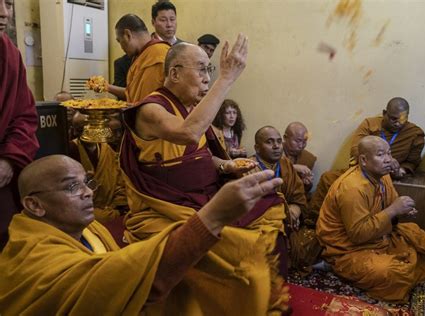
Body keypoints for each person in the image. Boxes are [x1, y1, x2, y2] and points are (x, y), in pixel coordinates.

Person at [0, 155, 287, 314]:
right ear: (34, 205)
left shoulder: (88, 228)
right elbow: (109, 284)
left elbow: (126, 273)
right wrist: (212, 217)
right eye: (71, 187)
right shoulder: (31, 257)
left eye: (86, 182)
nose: (88, 192)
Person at [120, 35, 289, 302]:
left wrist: (226, 165)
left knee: (270, 203)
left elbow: (198, 156)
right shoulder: (151, 109)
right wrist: (227, 78)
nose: (208, 78)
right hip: (167, 207)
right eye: (202, 69)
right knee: (231, 244)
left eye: (210, 70)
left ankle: (259, 288)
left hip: (203, 194)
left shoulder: (192, 109)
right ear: (174, 73)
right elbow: (188, 134)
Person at [316, 136, 425, 301]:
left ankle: (392, 266)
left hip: (377, 236)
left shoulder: (383, 175)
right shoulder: (352, 188)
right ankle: (334, 266)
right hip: (347, 249)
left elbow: (390, 201)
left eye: (389, 153)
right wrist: (394, 209)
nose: (388, 160)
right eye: (381, 155)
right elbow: (358, 235)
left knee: (420, 237)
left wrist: (403, 210)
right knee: (393, 272)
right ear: (364, 160)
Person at [310, 97, 425, 216]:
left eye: (402, 120)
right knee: (327, 178)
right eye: (393, 119)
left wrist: (401, 170)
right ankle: (313, 218)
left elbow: (412, 162)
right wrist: (376, 163)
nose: (398, 123)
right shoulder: (369, 124)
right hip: (364, 172)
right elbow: (356, 149)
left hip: (389, 176)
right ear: (384, 113)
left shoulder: (415, 133)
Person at [249, 126, 318, 274]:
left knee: (317, 237)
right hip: (264, 226)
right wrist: (282, 213)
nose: (276, 146)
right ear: (257, 147)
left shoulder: (285, 164)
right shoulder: (249, 169)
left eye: (279, 141)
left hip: (288, 222)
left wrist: (295, 209)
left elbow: (298, 196)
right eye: (270, 142)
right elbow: (249, 210)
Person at [0, 0, 39, 250]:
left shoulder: (9, 53)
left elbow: (24, 115)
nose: (3, 13)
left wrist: (8, 160)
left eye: (9, 4)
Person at [69, 112, 128, 224]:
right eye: (79, 129)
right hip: (84, 208)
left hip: (110, 207)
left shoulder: (107, 149)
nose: (81, 133)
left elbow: (119, 181)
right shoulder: (70, 150)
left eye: (86, 128)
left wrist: (119, 206)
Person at [106, 14, 170, 103]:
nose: (121, 47)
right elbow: (132, 95)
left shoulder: (158, 53)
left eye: (119, 41)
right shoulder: (142, 55)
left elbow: (150, 101)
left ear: (127, 35)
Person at [283, 122, 317, 194]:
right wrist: (292, 167)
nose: (301, 145)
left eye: (304, 141)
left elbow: (304, 192)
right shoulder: (273, 151)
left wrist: (306, 184)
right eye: (297, 141)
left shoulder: (308, 158)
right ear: (285, 138)